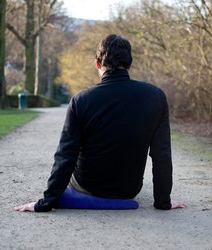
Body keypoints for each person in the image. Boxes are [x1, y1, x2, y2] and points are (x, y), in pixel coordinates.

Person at [14, 34, 186, 212]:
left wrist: (45, 203)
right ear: (129, 65)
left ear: (97, 63)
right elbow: (161, 154)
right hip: (128, 191)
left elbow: (66, 156)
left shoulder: (80, 100)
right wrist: (163, 202)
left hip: (87, 187)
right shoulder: (156, 97)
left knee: (72, 170)